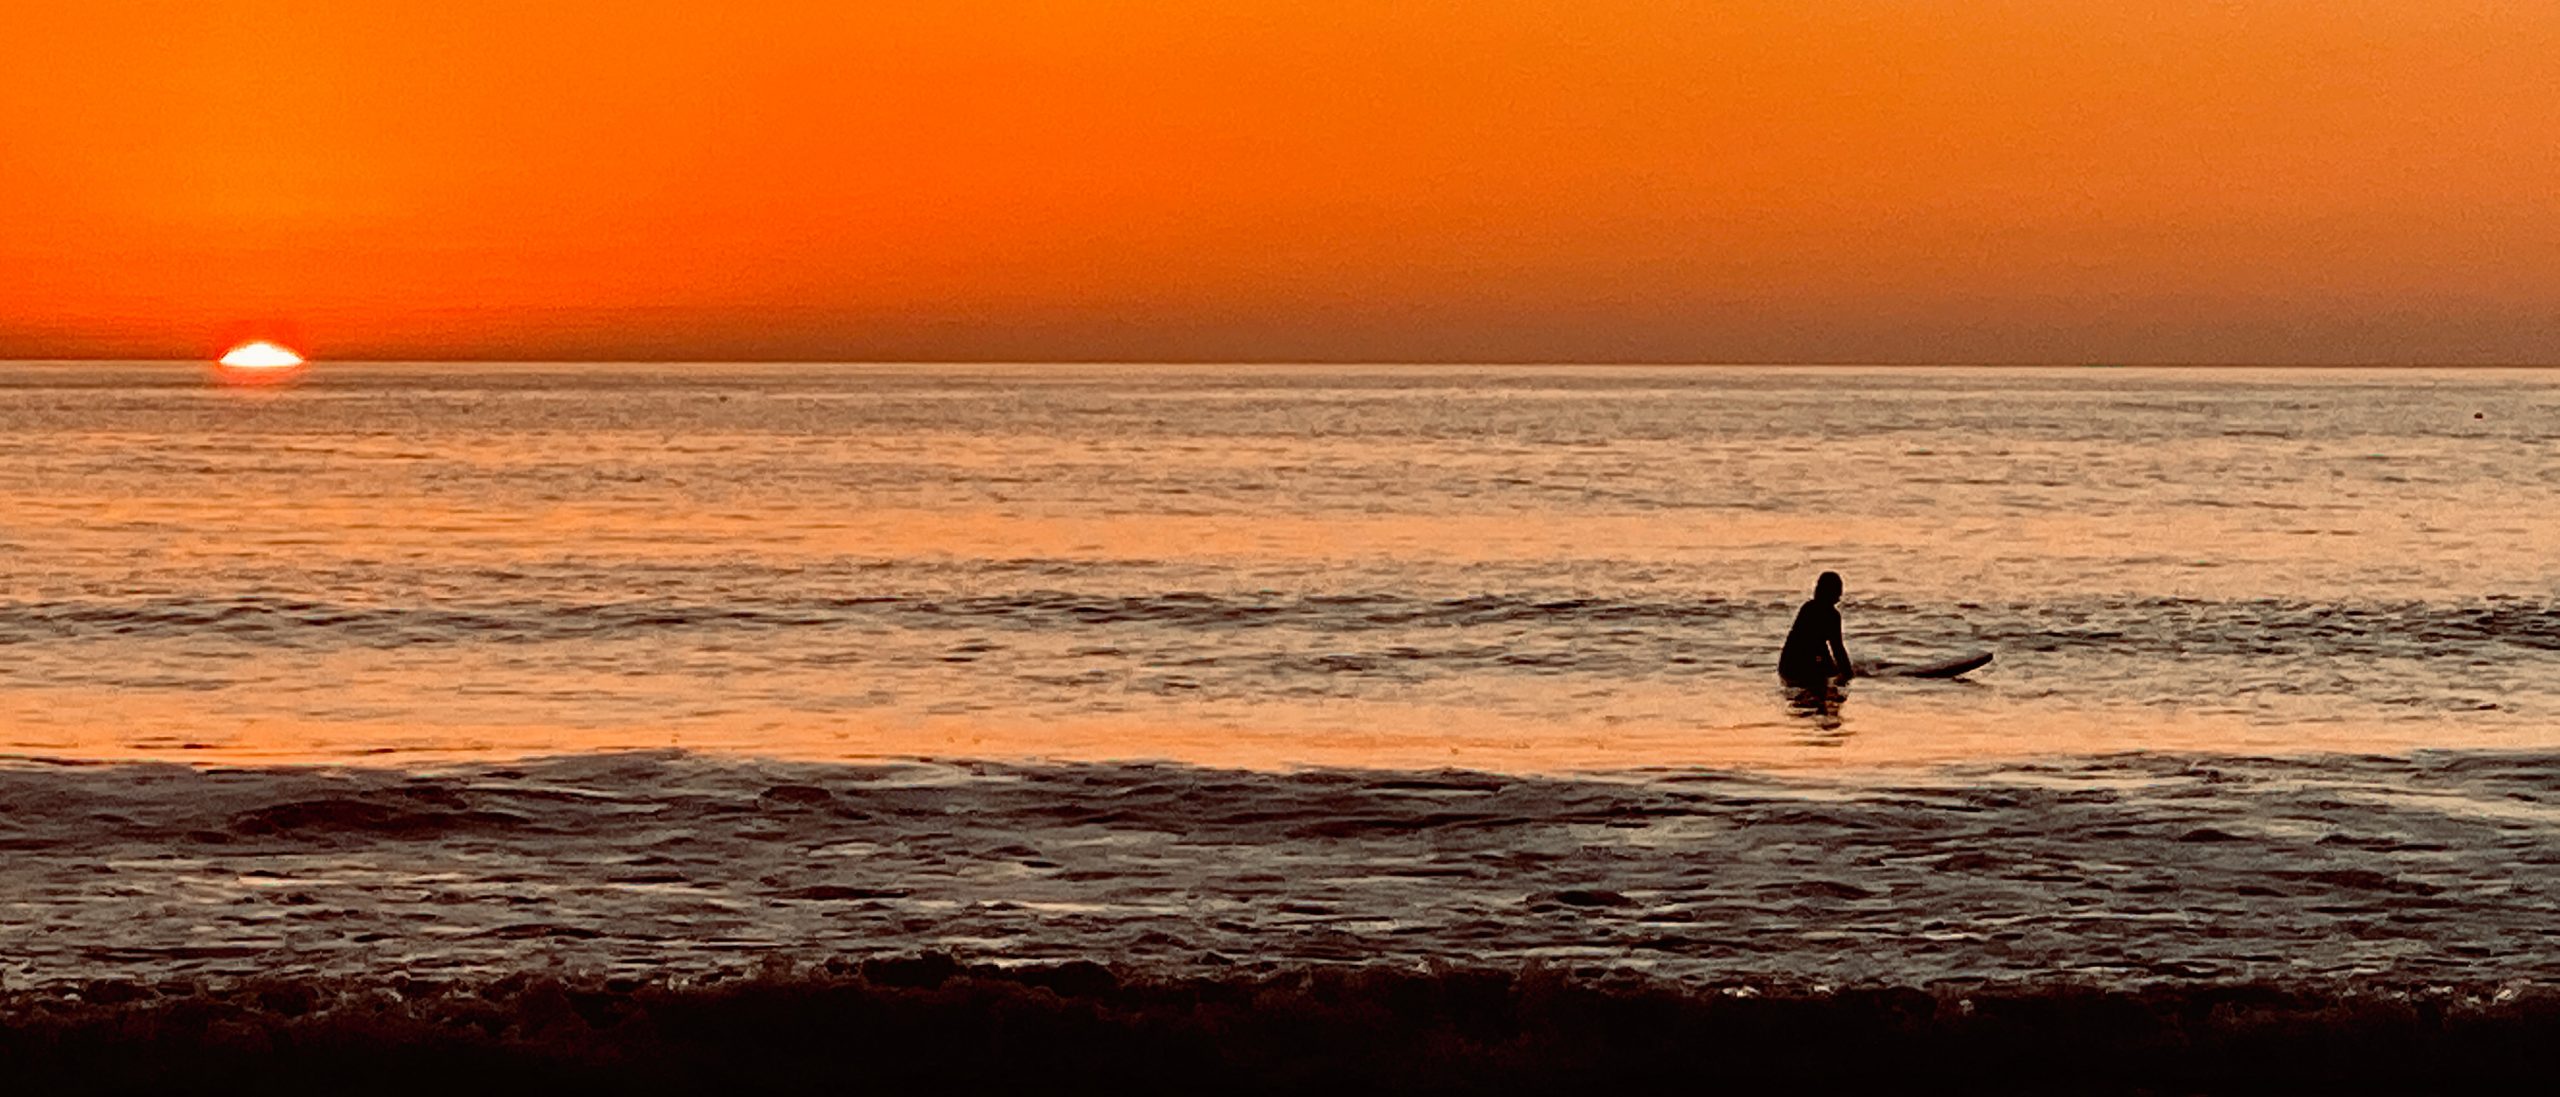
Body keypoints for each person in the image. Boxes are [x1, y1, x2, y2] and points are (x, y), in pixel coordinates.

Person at [1777, 571, 1853, 685]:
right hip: (1808, 663)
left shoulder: (1808, 608)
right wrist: (1849, 674)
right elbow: (1837, 649)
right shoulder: (1832, 615)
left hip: (1788, 662)